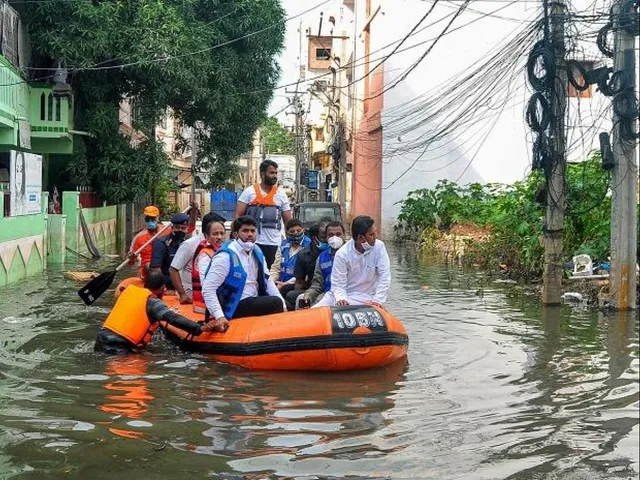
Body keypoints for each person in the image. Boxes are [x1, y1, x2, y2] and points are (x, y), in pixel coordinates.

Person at [94, 271, 215, 354]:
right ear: (162, 288)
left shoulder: (128, 292)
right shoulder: (152, 303)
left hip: (100, 341)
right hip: (118, 348)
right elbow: (173, 318)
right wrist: (199, 328)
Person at [201, 216, 286, 332]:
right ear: (236, 234)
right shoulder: (225, 256)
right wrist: (219, 316)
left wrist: (284, 306)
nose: (250, 234)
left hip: (252, 300)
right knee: (275, 303)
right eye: (245, 231)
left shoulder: (257, 252)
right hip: (233, 305)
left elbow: (268, 281)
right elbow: (208, 288)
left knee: (283, 300)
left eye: (252, 231)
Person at [312, 215, 391, 308]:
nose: (375, 237)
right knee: (315, 310)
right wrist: (341, 298)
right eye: (371, 235)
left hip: (369, 297)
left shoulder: (379, 247)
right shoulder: (342, 253)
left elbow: (385, 277)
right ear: (360, 238)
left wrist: (377, 300)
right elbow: (338, 282)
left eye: (375, 233)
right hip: (343, 296)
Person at [235, 159, 292, 269]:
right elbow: (238, 216)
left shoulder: (281, 194)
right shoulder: (248, 192)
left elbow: (288, 221)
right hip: (251, 242)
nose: (275, 176)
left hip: (274, 244)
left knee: (270, 274)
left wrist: (288, 243)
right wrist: (237, 237)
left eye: (276, 173)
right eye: (271, 173)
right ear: (262, 174)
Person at [169, 212, 224, 305]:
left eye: (221, 232)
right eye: (216, 232)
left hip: (212, 294)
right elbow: (173, 269)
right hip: (192, 295)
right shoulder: (190, 244)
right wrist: (182, 294)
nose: (219, 236)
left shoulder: (220, 245)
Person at [283, 221, 329, 311]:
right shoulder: (303, 254)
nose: (329, 239)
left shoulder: (339, 252)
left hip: (334, 289)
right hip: (314, 288)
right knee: (291, 295)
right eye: (324, 237)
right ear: (315, 238)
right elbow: (299, 281)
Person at [300, 221, 346, 307]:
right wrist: (308, 295)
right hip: (327, 295)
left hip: (348, 295)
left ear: (344, 235)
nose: (334, 238)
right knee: (303, 300)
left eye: (338, 234)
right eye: (331, 235)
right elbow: (317, 284)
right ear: (326, 237)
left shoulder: (352, 254)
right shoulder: (321, 258)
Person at [191, 220, 226, 314]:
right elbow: (206, 286)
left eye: (222, 233)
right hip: (206, 307)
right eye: (215, 234)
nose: (219, 237)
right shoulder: (205, 256)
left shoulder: (222, 251)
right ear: (207, 236)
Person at [149, 212, 191, 289]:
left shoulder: (188, 244)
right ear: (172, 228)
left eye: (183, 228)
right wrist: (162, 287)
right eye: (177, 228)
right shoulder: (161, 243)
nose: (180, 230)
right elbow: (155, 268)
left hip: (186, 284)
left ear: (187, 229)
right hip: (167, 284)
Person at [270, 219, 311, 292]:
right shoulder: (283, 245)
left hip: (300, 283)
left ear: (303, 230)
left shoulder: (309, 246)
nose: (296, 233)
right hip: (281, 282)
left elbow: (306, 275)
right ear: (287, 233)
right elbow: (275, 268)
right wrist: (271, 282)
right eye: (292, 231)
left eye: (298, 231)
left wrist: (285, 284)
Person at [127, 205, 164, 279]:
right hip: (147, 269)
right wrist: (131, 258)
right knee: (148, 266)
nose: (150, 222)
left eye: (153, 219)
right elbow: (131, 262)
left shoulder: (166, 230)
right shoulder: (138, 237)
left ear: (158, 218)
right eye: (147, 219)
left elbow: (188, 230)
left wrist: (193, 213)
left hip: (164, 264)